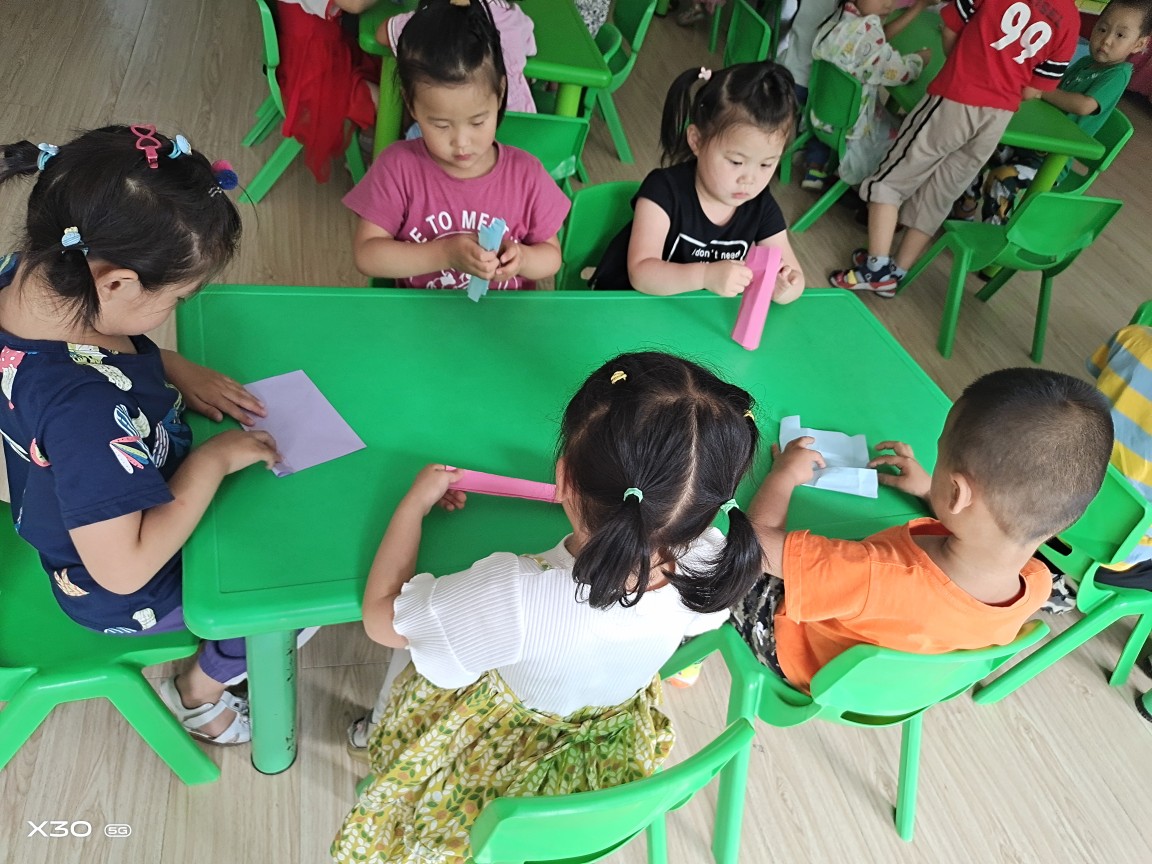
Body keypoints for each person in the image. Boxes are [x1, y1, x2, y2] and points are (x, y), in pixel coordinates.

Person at [331, 351, 766, 863]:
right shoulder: (713, 558)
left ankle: (371, 738)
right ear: (708, 508)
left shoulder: (516, 594)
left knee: (414, 656)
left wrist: (412, 505)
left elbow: (381, 619)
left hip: (491, 772)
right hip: (605, 771)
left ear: (563, 478)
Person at [0, 126, 281, 744]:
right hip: (123, 590)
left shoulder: (31, 275)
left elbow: (94, 351)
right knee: (282, 592)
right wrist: (210, 463)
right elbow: (123, 570)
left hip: (88, 496)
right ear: (116, 283)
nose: (173, 311)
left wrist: (168, 366)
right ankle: (202, 692)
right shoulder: (84, 412)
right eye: (176, 298)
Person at [732, 367, 1112, 690]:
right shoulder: (1037, 584)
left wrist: (784, 476)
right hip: (890, 686)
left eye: (941, 453)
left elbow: (755, 544)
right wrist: (933, 492)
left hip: (802, 659)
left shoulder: (874, 574)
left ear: (958, 493)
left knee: (717, 546)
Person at [830, 0, 1080, 297]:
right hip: (996, 119)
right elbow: (1032, 90)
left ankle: (876, 268)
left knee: (892, 179)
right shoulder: (1071, 20)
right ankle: (897, 269)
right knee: (941, 192)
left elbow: (949, 28)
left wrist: (961, 62)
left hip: (957, 96)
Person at [344, 0, 569, 291]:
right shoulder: (398, 168)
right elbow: (367, 255)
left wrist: (523, 259)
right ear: (411, 104)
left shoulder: (527, 174)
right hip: (421, 314)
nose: (461, 143)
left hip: (503, 315)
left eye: (477, 122)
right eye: (441, 125)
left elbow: (551, 257)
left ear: (501, 93)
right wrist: (445, 254)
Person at [590, 62, 806, 301]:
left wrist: (783, 288)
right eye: (736, 161)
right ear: (697, 141)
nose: (749, 179)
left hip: (687, 314)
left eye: (766, 164)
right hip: (626, 304)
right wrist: (705, 275)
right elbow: (641, 273)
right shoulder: (663, 190)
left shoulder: (760, 206)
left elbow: (795, 277)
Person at [954, 0, 1152, 223]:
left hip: (1051, 161)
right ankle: (965, 208)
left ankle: (992, 232)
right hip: (1033, 142)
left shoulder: (1118, 74)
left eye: (1120, 35)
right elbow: (1052, 83)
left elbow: (1084, 105)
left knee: (1003, 178)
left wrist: (1041, 92)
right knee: (978, 146)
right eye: (1103, 29)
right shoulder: (1085, 62)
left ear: (1139, 44)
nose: (1106, 40)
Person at [806, 0, 929, 191]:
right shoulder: (868, 32)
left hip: (820, 116)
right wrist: (919, 60)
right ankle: (875, 193)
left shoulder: (838, 18)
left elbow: (874, 42)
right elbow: (900, 73)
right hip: (852, 134)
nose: (888, 4)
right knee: (911, 142)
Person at [276, 0, 382, 182]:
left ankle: (369, 141)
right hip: (313, 73)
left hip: (320, 54)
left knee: (382, 70)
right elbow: (355, 4)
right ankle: (377, 167)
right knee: (386, 100)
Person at [379, 0, 538, 114]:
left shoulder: (431, 19)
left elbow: (382, 35)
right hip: (523, 130)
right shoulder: (511, 14)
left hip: (456, 135)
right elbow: (530, 47)